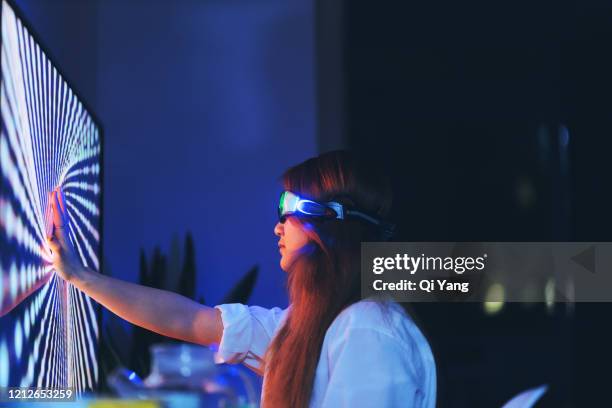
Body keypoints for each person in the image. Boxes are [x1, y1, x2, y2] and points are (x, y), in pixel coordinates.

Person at [48, 150, 436, 407]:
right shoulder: (299, 329)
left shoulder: (368, 328)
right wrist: (79, 275)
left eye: (288, 209)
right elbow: (189, 320)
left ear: (329, 218)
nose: (277, 227)